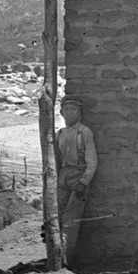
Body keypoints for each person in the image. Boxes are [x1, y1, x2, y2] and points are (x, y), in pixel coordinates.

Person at [55, 96, 98, 263]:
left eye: (73, 110)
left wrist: (84, 181)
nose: (69, 113)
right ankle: (57, 255)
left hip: (78, 177)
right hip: (63, 177)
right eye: (66, 110)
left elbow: (92, 161)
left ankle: (66, 258)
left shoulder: (84, 132)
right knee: (59, 216)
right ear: (61, 113)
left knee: (70, 219)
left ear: (80, 113)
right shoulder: (60, 134)